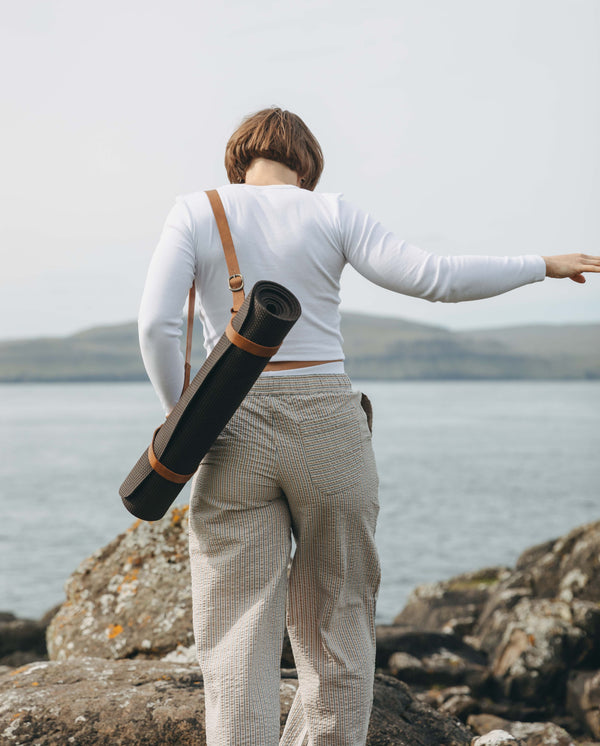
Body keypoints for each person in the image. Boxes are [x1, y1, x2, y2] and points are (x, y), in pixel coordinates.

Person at [137, 107, 600, 746]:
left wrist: (186, 416)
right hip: (328, 424)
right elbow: (434, 279)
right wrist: (541, 263)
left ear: (238, 160)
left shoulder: (195, 209)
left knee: (238, 626)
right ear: (308, 165)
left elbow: (157, 327)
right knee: (340, 613)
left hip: (229, 420)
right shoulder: (331, 211)